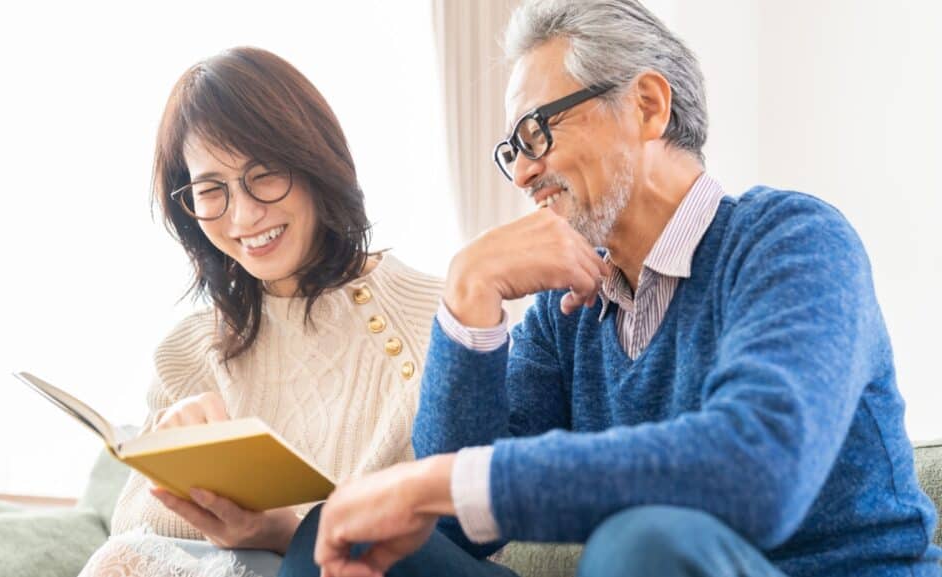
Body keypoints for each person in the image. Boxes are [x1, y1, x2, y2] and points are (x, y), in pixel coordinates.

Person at [286, 1, 942, 577]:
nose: (522, 173)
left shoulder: (791, 240)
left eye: (536, 132)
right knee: (339, 535)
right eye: (510, 150)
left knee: (643, 541)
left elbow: (757, 470)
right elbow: (455, 527)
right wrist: (469, 294)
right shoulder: (565, 313)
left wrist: (438, 481)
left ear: (648, 105)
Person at [77, 46, 443, 577]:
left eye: (264, 174)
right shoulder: (190, 352)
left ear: (316, 163)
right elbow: (130, 537)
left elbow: (445, 541)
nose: (244, 216)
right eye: (210, 190)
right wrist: (171, 455)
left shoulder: (433, 319)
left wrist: (282, 528)